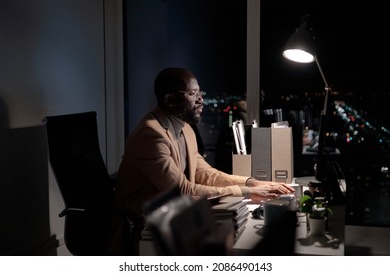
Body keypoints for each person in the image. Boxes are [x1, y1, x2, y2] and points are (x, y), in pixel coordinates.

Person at [108, 67, 295, 255]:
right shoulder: (150, 135)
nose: (200, 99)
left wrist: (250, 182)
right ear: (170, 100)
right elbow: (183, 191)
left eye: (200, 92)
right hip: (140, 232)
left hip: (173, 220)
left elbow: (205, 173)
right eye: (193, 93)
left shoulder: (185, 128)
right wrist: (248, 193)